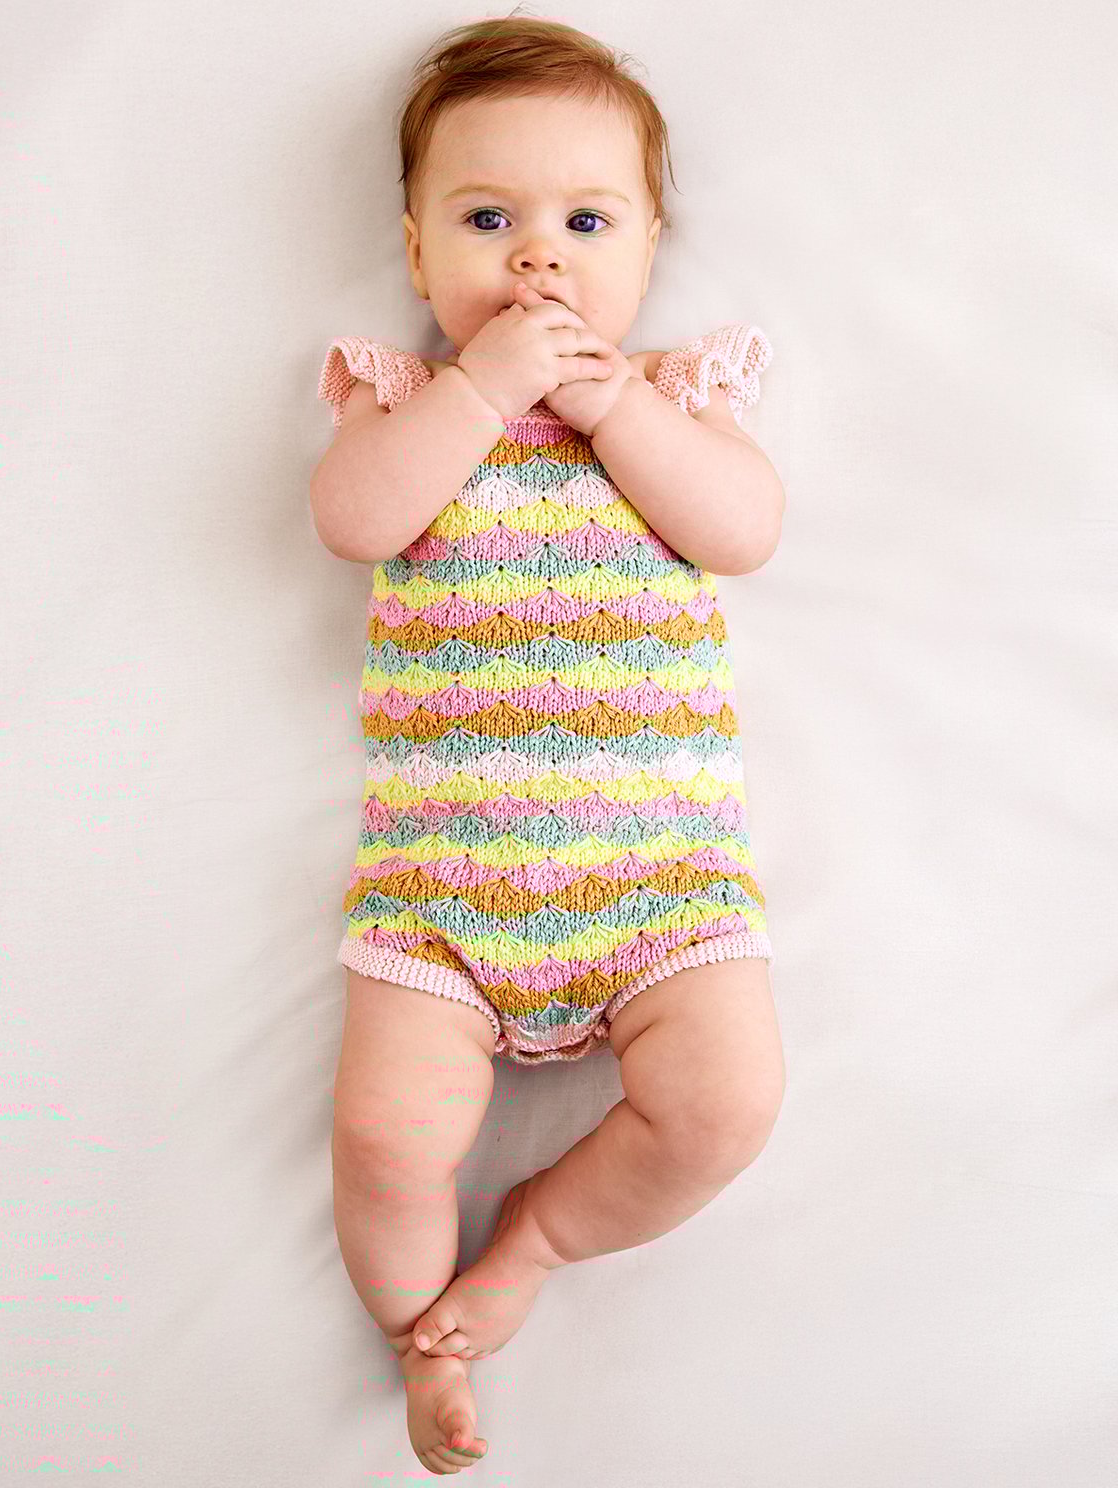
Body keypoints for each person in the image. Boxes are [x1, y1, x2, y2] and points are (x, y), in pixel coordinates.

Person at [313, 14, 788, 1475]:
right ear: (415, 255)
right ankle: (422, 1338)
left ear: (648, 249)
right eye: (486, 221)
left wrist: (614, 405)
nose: (538, 260)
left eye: (587, 222)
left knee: (728, 1105)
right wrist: (481, 390)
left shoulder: (674, 399)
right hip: (443, 901)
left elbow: (743, 532)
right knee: (386, 1141)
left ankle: (537, 1239)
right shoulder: (412, 403)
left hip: (662, 891)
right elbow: (357, 519)